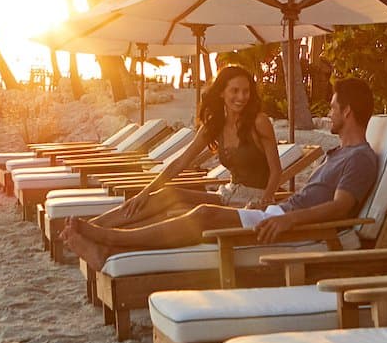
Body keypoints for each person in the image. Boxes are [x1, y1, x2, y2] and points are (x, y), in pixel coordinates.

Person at [62, 77, 382, 271]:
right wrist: (273, 208)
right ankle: (105, 239)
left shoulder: (361, 158)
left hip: (292, 228)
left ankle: (110, 241)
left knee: (203, 216)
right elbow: (311, 199)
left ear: (348, 112)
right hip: (275, 214)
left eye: (333, 106)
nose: (328, 112)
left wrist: (287, 218)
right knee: (188, 208)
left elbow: (340, 209)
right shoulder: (338, 154)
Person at [75, 64, 281, 233]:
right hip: (227, 194)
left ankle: (101, 232)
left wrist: (264, 202)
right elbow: (181, 162)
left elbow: (276, 171)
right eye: (235, 91)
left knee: (180, 214)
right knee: (169, 194)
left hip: (255, 199)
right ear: (221, 93)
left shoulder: (258, 122)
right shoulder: (215, 126)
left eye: (246, 91)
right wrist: (145, 192)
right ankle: (94, 226)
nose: (241, 97)